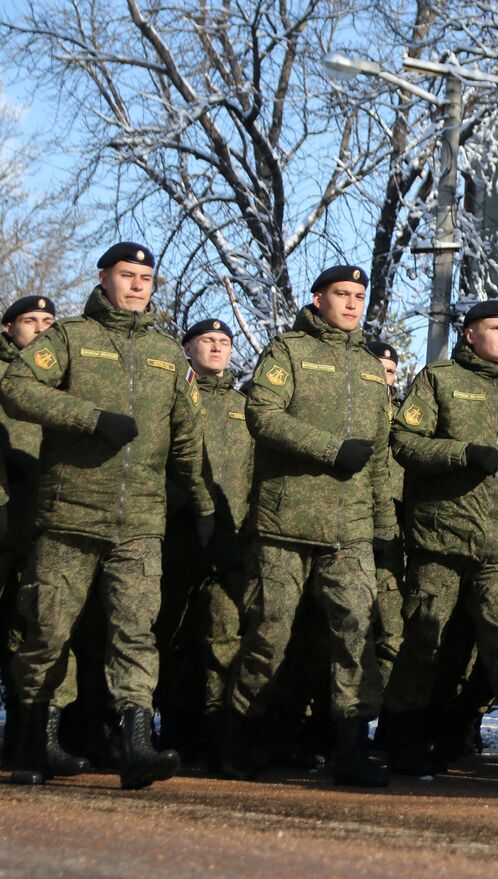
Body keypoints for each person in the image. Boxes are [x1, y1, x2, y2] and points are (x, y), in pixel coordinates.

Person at [2, 243, 213, 789]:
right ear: (104, 278)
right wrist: (90, 418)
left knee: (134, 631)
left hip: (140, 521)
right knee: (47, 632)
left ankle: (138, 747)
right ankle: (32, 741)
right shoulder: (70, 337)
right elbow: (15, 388)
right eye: (128, 275)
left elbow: (187, 439)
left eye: (146, 277)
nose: (138, 285)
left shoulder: (169, 354)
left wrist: (204, 506)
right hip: (69, 515)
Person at [383, 299, 498, 780]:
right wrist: (462, 454)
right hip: (441, 541)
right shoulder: (438, 380)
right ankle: (403, 742)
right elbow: (403, 442)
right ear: (470, 334)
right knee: (425, 642)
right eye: (496, 327)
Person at [221, 264, 396, 788]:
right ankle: (236, 738)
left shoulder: (370, 368)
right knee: (268, 636)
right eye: (342, 294)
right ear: (318, 298)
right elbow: (263, 415)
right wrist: (329, 449)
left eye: (360, 296)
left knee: (356, 636)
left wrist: (384, 528)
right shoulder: (288, 352)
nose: (352, 304)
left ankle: (349, 749)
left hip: (352, 530)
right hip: (286, 524)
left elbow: (381, 457)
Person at [155, 318, 254, 767]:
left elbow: (255, 474)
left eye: (225, 342)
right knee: (169, 636)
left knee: (223, 638)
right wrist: (181, 507)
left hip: (229, 541)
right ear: (188, 347)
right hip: (175, 535)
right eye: (208, 341)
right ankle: (173, 729)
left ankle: (221, 737)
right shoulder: (174, 398)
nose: (217, 348)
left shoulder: (246, 407)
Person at [0, 295, 81, 772]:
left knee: (37, 628)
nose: (41, 327)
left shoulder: (66, 375)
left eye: (49, 321)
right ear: (9, 330)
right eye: (30, 321)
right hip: (6, 514)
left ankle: (32, 737)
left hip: (46, 521)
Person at [365, 340, 406, 693]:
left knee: (393, 631)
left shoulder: (407, 416)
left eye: (390, 371)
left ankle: (389, 723)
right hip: (352, 529)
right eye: (379, 368)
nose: (385, 377)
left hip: (394, 536)